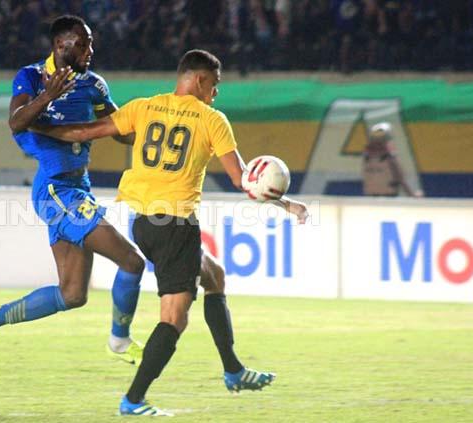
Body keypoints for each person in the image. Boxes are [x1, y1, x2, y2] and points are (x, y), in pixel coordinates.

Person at [34, 49, 309, 416]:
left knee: (214, 276)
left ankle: (233, 370)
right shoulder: (212, 120)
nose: (216, 93)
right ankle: (133, 401)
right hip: (176, 225)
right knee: (174, 319)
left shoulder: (143, 107)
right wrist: (287, 203)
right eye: (215, 84)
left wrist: (34, 125)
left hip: (143, 223)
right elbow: (243, 179)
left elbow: (85, 132)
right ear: (198, 80)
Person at [0, 15, 145, 372]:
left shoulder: (93, 85)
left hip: (78, 186)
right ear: (62, 46)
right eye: (85, 43)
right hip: (56, 190)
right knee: (131, 261)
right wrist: (48, 95)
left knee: (72, 295)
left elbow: (119, 129)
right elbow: (17, 121)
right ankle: (119, 340)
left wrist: (152, 129)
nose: (91, 50)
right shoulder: (30, 77)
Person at [362, 122, 422, 197]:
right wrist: (412, 195)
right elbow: (400, 179)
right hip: (388, 196)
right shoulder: (389, 158)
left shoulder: (367, 158)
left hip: (371, 196)